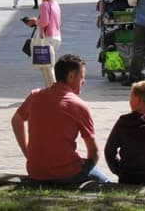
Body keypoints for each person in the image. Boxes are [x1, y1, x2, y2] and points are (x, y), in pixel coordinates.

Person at [10, 53, 111, 187]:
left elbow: (16, 120)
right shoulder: (79, 105)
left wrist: (27, 153)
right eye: (82, 77)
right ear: (71, 76)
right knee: (108, 184)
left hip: (36, 172)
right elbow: (93, 152)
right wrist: (88, 167)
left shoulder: (35, 96)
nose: (84, 82)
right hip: (67, 174)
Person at [104, 80, 145, 187]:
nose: (129, 100)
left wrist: (119, 170)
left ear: (137, 100)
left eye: (131, 97)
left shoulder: (123, 123)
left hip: (128, 176)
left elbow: (109, 150)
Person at [26, 0, 62, 86]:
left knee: (46, 66)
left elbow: (44, 22)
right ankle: (50, 88)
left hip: (48, 38)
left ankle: (52, 88)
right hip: (57, 37)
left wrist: (35, 21)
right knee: (49, 64)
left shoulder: (45, 5)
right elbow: (57, 22)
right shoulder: (56, 4)